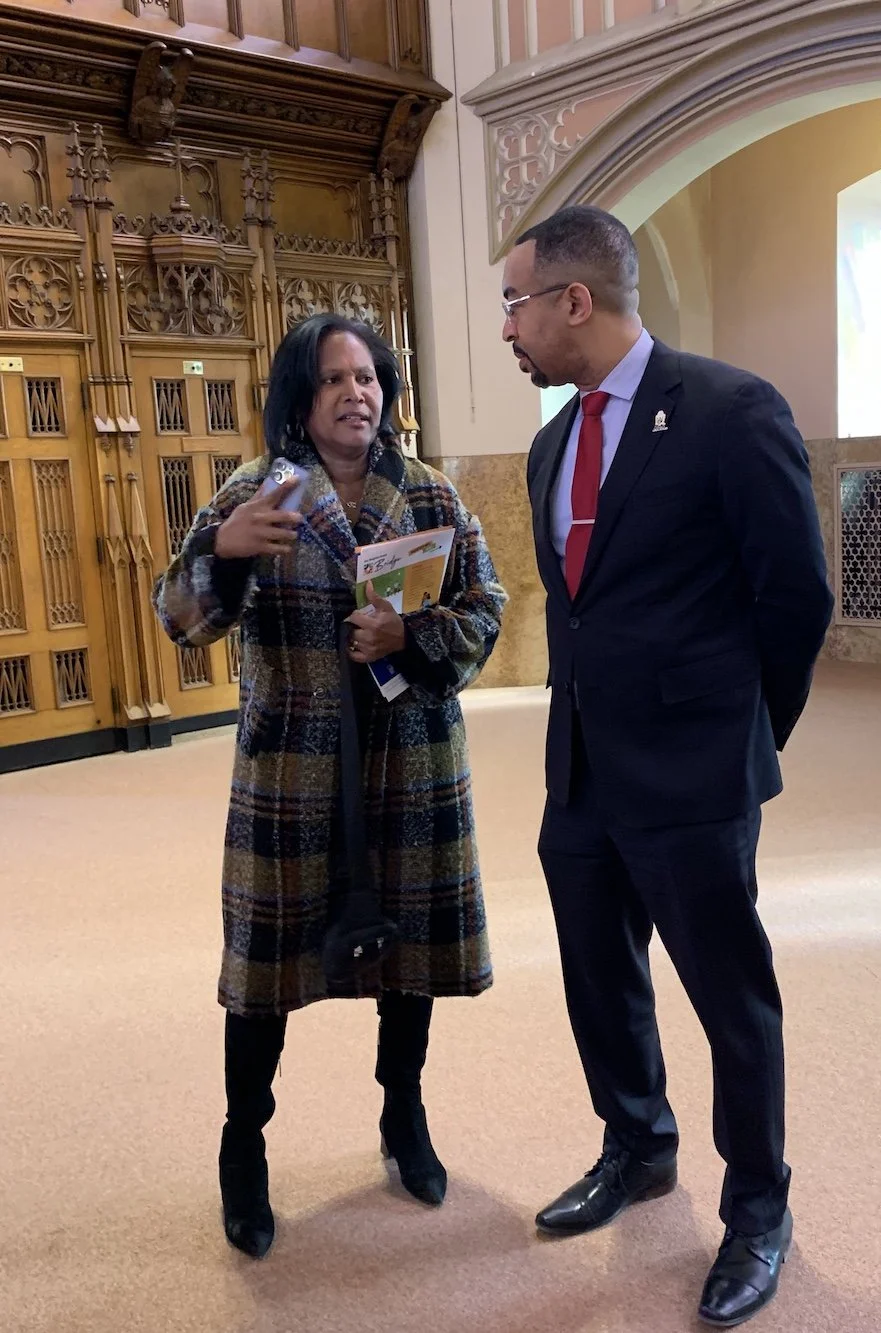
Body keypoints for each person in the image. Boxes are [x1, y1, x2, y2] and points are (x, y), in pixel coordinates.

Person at [502, 206, 833, 1328]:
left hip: (694, 770)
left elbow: (794, 596)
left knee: (729, 998)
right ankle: (637, 1144)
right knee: (600, 976)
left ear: (573, 301)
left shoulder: (730, 411)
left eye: (515, 302)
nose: (508, 327)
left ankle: (757, 1207)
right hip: (583, 767)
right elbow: (581, 612)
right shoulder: (550, 443)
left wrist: (742, 738)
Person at [154, 313, 506, 1259]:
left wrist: (413, 637)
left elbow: (490, 604)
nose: (358, 393)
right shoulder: (254, 493)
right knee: (264, 975)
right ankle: (244, 1150)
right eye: (335, 379)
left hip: (413, 767)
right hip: (292, 773)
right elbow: (178, 617)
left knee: (409, 963)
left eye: (369, 377)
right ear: (300, 400)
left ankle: (404, 1115)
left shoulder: (429, 491)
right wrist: (221, 551)